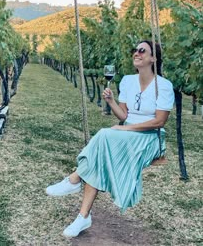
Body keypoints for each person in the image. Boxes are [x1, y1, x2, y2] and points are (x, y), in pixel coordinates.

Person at [46, 40, 175, 238]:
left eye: (142, 50)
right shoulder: (128, 81)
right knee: (99, 155)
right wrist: (111, 101)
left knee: (105, 135)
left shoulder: (163, 86)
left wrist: (126, 128)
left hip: (149, 138)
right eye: (135, 50)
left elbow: (159, 122)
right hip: (126, 134)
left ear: (153, 58)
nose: (137, 53)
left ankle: (74, 179)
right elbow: (123, 116)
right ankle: (83, 216)